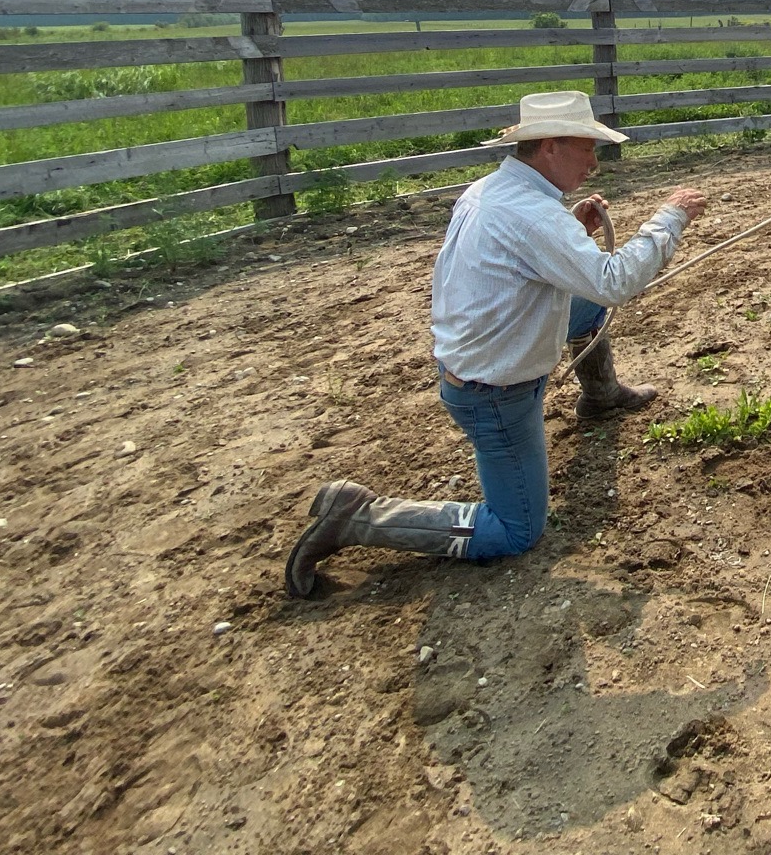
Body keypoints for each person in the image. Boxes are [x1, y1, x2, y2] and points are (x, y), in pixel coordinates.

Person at [285, 90, 707, 597]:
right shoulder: (532, 214)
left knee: (587, 304)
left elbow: (516, 265)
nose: (595, 162)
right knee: (515, 530)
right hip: (493, 389)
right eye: (587, 148)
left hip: (477, 353)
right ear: (550, 146)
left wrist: (570, 235)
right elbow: (615, 280)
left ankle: (601, 394)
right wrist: (671, 218)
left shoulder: (492, 191)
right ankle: (359, 517)